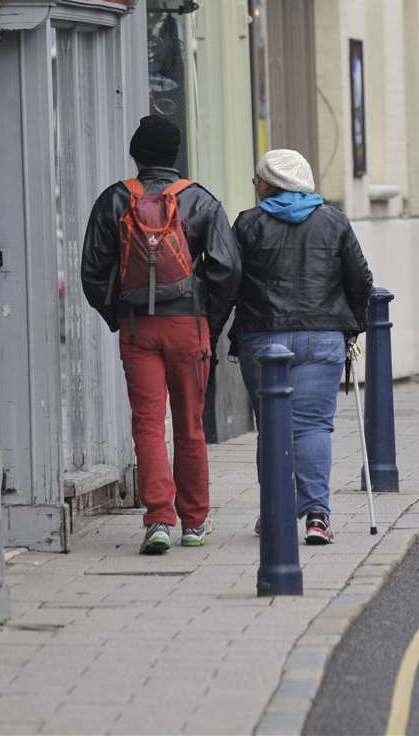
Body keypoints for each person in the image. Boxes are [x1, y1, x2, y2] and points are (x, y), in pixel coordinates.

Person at [80, 116, 241, 554]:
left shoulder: (115, 200)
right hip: (188, 326)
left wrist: (119, 315)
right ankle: (194, 523)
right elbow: (228, 269)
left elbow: (92, 272)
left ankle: (157, 521)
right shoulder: (200, 201)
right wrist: (210, 319)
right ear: (175, 156)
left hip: (138, 328)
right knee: (190, 425)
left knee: (148, 425)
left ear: (137, 156)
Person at [230, 149, 373, 545]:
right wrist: (353, 327)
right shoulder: (333, 222)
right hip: (322, 337)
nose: (255, 186)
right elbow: (360, 279)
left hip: (262, 337)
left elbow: (227, 280)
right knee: (312, 426)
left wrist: (216, 327)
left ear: (271, 183)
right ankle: (316, 516)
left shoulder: (248, 224)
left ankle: (276, 512)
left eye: (258, 179)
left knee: (272, 428)